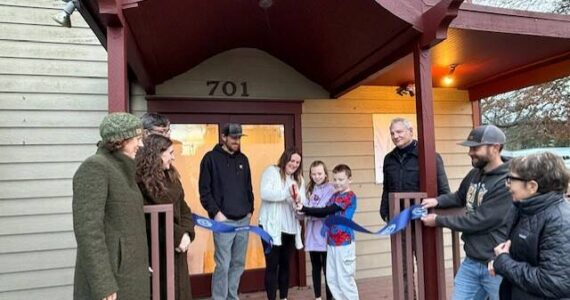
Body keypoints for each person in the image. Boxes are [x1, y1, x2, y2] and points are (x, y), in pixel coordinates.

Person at [421, 124, 513, 300]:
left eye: (475, 147)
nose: (470, 152)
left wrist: (438, 220)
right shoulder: (475, 174)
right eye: (470, 147)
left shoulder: (506, 182)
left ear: (495, 148)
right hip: (472, 261)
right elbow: (459, 197)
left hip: (495, 264)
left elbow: (479, 220)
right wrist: (438, 201)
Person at [72, 112, 149, 300]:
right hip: (112, 281)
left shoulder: (123, 169)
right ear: (119, 141)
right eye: (137, 139)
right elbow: (88, 231)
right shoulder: (96, 167)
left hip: (130, 273)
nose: (141, 145)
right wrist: (103, 284)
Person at [379, 118, 450, 299]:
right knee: (403, 268)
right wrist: (385, 211)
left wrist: (435, 211)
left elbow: (444, 192)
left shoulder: (430, 156)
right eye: (392, 133)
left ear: (411, 131)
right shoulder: (389, 159)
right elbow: (387, 188)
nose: (396, 136)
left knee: (426, 266)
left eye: (399, 132)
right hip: (399, 222)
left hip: (423, 222)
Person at [489, 152, 570, 299]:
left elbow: (553, 283)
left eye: (511, 179)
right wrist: (498, 260)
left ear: (532, 186)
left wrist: (503, 262)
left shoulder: (561, 221)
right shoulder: (522, 208)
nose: (507, 185)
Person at [136, 134, 196, 300]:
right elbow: (149, 219)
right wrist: (178, 236)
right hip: (156, 252)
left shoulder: (172, 177)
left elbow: (184, 209)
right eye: (170, 152)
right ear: (157, 154)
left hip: (177, 250)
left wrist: (187, 234)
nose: (173, 157)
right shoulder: (139, 183)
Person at [198, 123, 254, 300]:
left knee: (238, 263)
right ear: (224, 137)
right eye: (233, 137)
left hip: (243, 220)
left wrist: (250, 209)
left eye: (239, 138)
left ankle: (232, 296)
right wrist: (216, 213)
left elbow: (248, 187)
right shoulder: (210, 159)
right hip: (223, 221)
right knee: (223, 264)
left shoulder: (243, 159)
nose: (237, 141)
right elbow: (204, 191)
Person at [296, 164, 359, 300]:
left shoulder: (348, 196)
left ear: (350, 180)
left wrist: (305, 209)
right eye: (335, 179)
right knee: (332, 278)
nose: (337, 183)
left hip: (344, 243)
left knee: (344, 278)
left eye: (341, 179)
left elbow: (327, 211)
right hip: (331, 242)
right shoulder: (335, 195)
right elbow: (321, 209)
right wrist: (302, 208)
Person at [259, 148, 305, 300]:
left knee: (285, 265)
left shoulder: (299, 180)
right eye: (292, 160)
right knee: (272, 265)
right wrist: (285, 195)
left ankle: (284, 298)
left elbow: (302, 204)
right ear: (285, 159)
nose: (294, 164)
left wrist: (299, 204)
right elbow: (264, 193)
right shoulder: (272, 171)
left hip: (290, 227)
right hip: (270, 227)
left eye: (297, 162)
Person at [304, 161, 335, 300]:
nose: (316, 176)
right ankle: (317, 297)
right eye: (313, 173)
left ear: (325, 174)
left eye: (319, 173)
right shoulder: (309, 189)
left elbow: (323, 211)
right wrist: (302, 209)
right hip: (311, 235)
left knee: (328, 269)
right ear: (310, 174)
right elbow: (303, 209)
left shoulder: (331, 189)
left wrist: (307, 211)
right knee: (315, 268)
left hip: (325, 234)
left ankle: (330, 297)